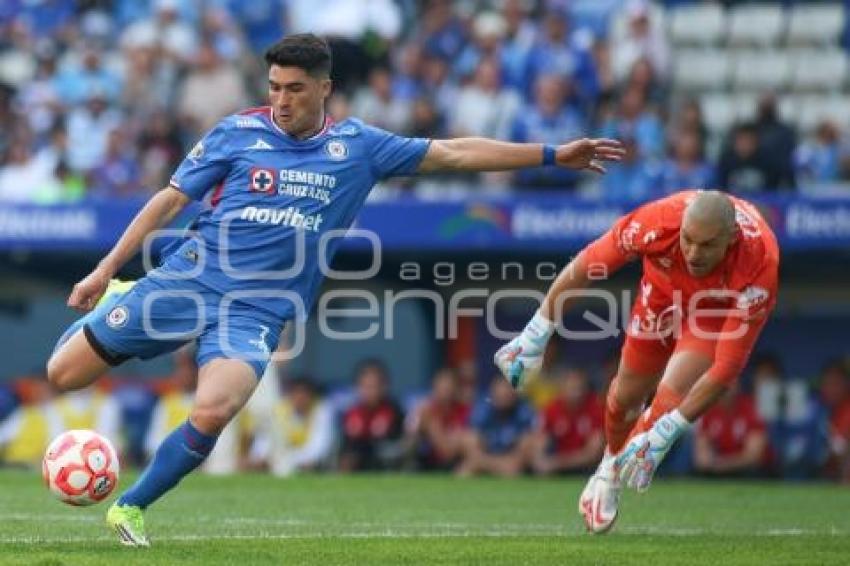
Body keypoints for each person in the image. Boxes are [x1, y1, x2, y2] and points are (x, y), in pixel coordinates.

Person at [45, 33, 622, 546]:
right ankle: (125, 294)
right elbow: (169, 200)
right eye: (273, 87)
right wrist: (104, 271)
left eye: (294, 89)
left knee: (216, 409)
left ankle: (130, 507)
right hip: (188, 279)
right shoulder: (237, 133)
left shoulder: (359, 146)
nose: (281, 100)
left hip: (258, 308)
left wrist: (552, 153)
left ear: (324, 88)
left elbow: (455, 152)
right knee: (62, 376)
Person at [495, 190, 779, 533]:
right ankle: (609, 461)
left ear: (731, 239)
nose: (693, 252)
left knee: (673, 394)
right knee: (624, 396)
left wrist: (667, 431)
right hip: (661, 294)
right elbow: (587, 266)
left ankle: (611, 474)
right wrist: (535, 333)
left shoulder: (759, 264)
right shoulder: (657, 222)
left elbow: (726, 368)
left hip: (714, 309)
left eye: (706, 245)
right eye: (688, 240)